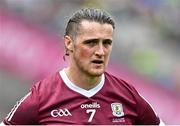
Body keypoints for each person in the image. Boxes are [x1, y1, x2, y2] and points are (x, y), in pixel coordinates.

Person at [1, 8, 164, 125]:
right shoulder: (42, 96)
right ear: (69, 44)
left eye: (106, 43)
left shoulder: (128, 95)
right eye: (90, 43)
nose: (100, 51)